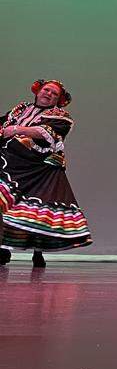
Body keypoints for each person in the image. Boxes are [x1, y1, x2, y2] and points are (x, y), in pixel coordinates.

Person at [0, 79, 92, 266]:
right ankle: (3, 248)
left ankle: (38, 251)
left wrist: (16, 130)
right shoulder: (20, 109)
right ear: (38, 91)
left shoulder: (61, 116)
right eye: (46, 90)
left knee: (36, 210)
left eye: (54, 94)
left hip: (37, 167)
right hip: (10, 160)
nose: (48, 94)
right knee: (5, 203)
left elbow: (45, 133)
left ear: (58, 100)